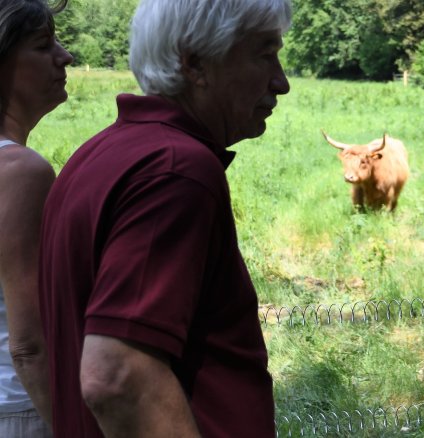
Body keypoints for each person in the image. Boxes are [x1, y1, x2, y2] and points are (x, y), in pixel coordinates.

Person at [38, 0, 291, 436]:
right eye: (265, 53)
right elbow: (118, 377)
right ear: (195, 64)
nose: (281, 81)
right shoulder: (176, 170)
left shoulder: (100, 153)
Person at [0, 1, 73, 436]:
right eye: (44, 45)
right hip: (22, 409)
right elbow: (29, 346)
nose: (65, 56)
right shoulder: (20, 172)